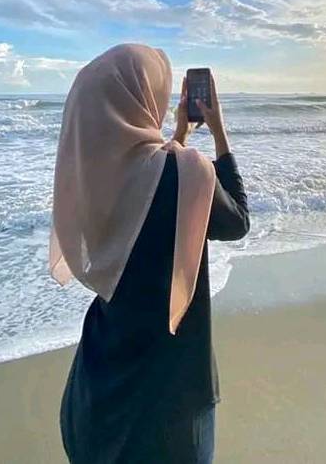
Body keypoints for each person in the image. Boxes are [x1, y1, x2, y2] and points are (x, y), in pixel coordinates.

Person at [49, 43, 249, 463]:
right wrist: (218, 132)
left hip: (97, 389)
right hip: (171, 396)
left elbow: (145, 188)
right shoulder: (187, 171)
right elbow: (236, 222)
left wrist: (177, 138)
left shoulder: (91, 176)